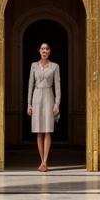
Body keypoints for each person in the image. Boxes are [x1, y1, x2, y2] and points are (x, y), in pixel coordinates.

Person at [26, 42, 61, 172]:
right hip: (36, 96)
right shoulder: (34, 65)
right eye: (42, 48)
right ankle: (41, 160)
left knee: (47, 130)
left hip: (48, 96)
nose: (44, 51)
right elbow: (30, 85)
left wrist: (57, 103)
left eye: (46, 48)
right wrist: (29, 104)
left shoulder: (55, 66)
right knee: (39, 131)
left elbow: (57, 85)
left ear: (50, 51)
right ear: (39, 51)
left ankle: (45, 161)